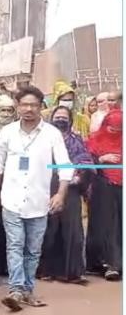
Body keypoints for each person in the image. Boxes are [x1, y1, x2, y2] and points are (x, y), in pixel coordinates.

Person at [0, 86, 73, 312]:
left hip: (39, 202)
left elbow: (65, 166)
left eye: (33, 105)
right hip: (11, 200)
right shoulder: (8, 132)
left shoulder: (52, 134)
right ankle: (15, 290)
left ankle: (27, 290)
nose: (29, 109)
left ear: (41, 107)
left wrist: (60, 193)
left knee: (33, 250)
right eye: (24, 104)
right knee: (15, 245)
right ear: (18, 106)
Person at [38, 106, 93, 285]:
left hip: (71, 189)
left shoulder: (76, 140)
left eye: (64, 117)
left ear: (70, 120)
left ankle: (73, 272)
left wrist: (77, 174)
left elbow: (86, 161)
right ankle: (46, 270)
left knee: (72, 231)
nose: (61, 120)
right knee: (49, 230)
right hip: (46, 187)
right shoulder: (43, 139)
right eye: (57, 117)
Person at [85, 109, 123, 281]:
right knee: (105, 225)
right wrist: (101, 159)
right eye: (111, 129)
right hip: (102, 187)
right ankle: (107, 264)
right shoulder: (95, 140)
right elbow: (86, 162)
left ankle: (119, 263)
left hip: (121, 188)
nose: (115, 133)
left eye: (119, 130)